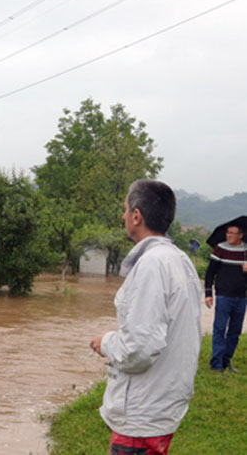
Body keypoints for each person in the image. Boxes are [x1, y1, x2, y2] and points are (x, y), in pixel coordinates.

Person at [90, 179, 202, 455]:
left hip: (143, 411)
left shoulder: (152, 265)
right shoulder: (180, 260)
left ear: (137, 216)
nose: (123, 216)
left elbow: (138, 348)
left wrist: (105, 342)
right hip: (164, 402)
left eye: (126, 210)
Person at [204, 224, 247, 373]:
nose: (229, 236)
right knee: (220, 328)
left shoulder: (245, 251)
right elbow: (210, 272)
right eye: (228, 233)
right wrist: (208, 293)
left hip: (241, 297)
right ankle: (216, 363)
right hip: (223, 295)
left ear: (240, 235)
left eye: (233, 233)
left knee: (235, 331)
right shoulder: (220, 248)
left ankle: (226, 360)